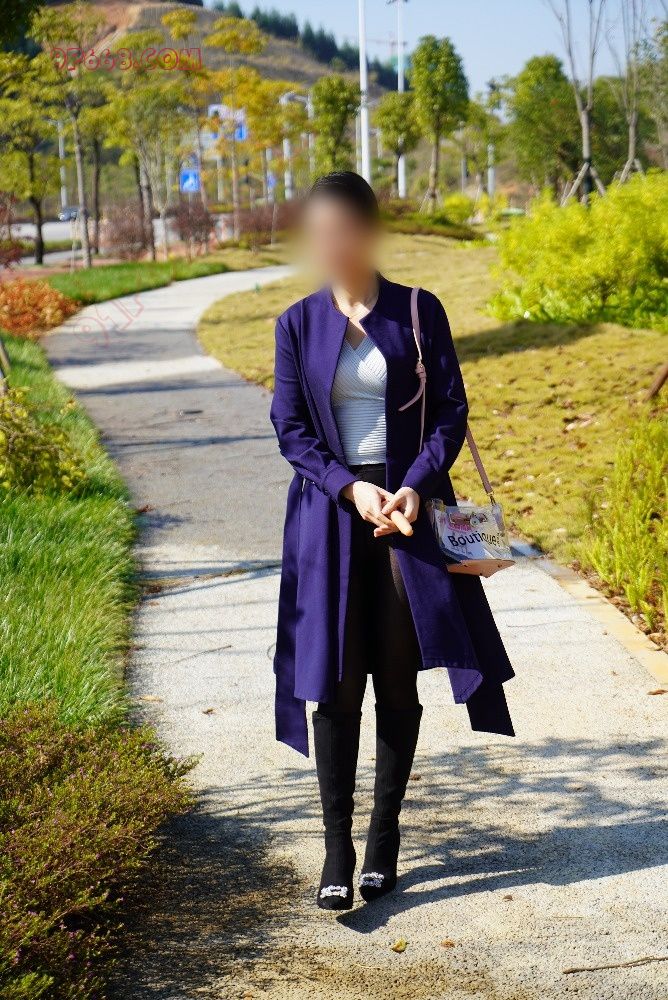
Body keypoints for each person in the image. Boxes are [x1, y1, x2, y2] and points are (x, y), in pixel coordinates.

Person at [270, 171, 515, 911]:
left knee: (397, 679)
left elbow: (450, 410)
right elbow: (292, 429)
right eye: (319, 232)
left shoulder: (417, 310)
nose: (331, 244)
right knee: (336, 683)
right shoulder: (296, 323)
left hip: (408, 515)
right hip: (333, 515)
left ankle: (383, 842)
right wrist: (350, 487)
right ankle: (336, 850)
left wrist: (413, 484)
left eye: (343, 229)